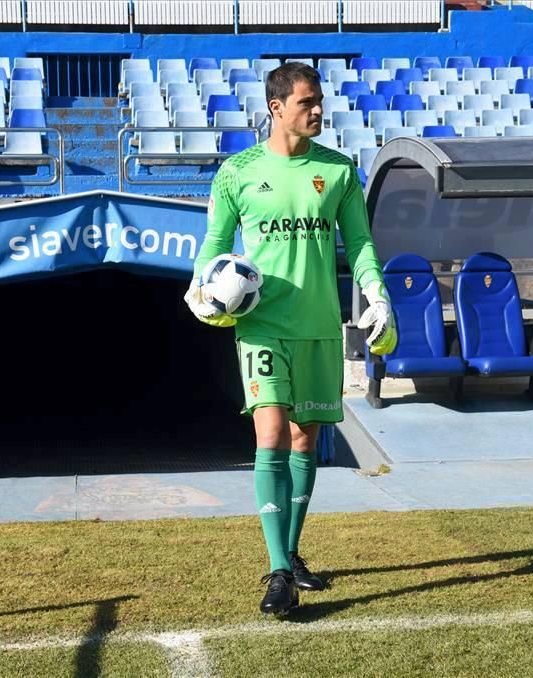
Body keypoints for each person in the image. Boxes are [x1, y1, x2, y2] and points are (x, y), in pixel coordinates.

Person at [184, 63, 397, 616]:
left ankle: (293, 552)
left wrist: (376, 292)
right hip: (261, 326)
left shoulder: (340, 170)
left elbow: (361, 243)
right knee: (272, 431)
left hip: (319, 326)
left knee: (306, 440)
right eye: (306, 102)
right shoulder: (237, 172)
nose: (318, 110)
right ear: (276, 108)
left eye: (320, 100)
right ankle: (277, 570)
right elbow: (213, 243)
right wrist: (199, 286)